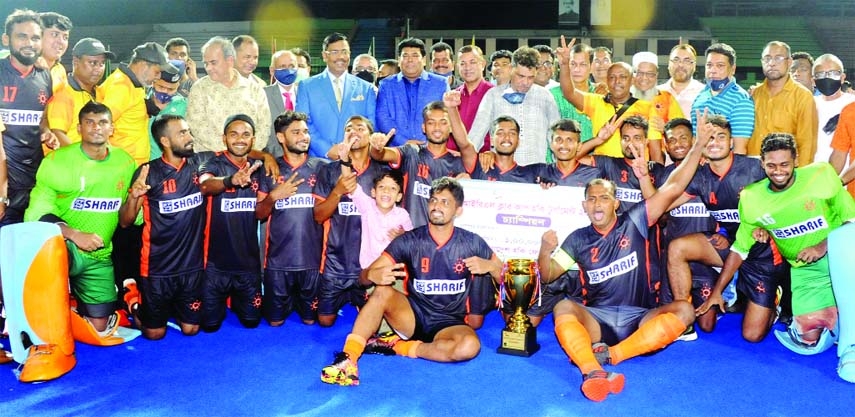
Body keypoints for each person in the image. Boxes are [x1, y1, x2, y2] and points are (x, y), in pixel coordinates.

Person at [537, 113, 712, 402]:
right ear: (583, 205)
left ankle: (613, 356)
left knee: (684, 310)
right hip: (597, 321)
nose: (597, 203)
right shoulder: (577, 238)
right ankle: (591, 369)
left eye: (604, 197)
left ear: (616, 203)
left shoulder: (636, 221)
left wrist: (698, 146)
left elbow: (672, 188)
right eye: (591, 198)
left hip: (640, 317)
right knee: (564, 307)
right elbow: (548, 276)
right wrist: (545, 250)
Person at [697, 133, 855, 383]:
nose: (778, 171)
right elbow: (740, 249)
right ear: (762, 163)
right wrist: (719, 290)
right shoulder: (752, 198)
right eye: (771, 165)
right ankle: (839, 320)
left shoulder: (821, 175)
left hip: (843, 261)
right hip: (806, 273)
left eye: (785, 164)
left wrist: (824, 244)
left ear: (796, 160)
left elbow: (852, 220)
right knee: (807, 337)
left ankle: (851, 345)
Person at [320, 177, 502, 387]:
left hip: (449, 322)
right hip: (412, 316)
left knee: (469, 347)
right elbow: (363, 277)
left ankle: (399, 347)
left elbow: (505, 277)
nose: (437, 206)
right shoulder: (410, 240)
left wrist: (492, 268)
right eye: (433, 200)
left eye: (445, 202)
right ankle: (347, 359)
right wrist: (371, 275)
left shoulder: (472, 242)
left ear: (458, 210)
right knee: (382, 291)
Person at [666, 115, 789, 341]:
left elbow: (789, 197)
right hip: (730, 247)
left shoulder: (755, 168)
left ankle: (775, 300)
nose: (714, 142)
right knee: (677, 248)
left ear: (731, 141)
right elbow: (663, 202)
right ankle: (682, 317)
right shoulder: (700, 176)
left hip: (762, 256)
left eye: (720, 137)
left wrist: (768, 226)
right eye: (709, 138)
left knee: (752, 336)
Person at [25, 101, 136, 338]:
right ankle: (53, 304)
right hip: (63, 249)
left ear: (111, 129)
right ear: (79, 128)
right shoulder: (57, 161)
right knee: (50, 327)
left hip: (99, 255)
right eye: (90, 122)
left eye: (102, 122)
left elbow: (130, 218)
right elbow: (35, 215)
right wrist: (75, 235)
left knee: (99, 329)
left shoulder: (125, 163)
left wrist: (137, 198)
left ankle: (76, 305)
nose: (96, 128)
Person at [118, 114, 209, 340]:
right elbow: (125, 222)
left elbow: (235, 152)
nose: (190, 137)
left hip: (192, 265)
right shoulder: (148, 172)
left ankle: (174, 307)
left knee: (191, 329)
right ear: (165, 141)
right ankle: (133, 300)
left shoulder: (199, 164)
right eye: (182, 133)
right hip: (157, 267)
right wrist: (134, 197)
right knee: (154, 334)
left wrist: (266, 157)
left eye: (188, 131)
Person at [524, 119, 605, 327]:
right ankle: (551, 298)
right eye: (558, 139)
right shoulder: (539, 173)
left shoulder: (594, 176)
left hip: (580, 261)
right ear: (551, 143)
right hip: (550, 258)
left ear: (579, 146)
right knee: (527, 325)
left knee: (588, 326)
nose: (564, 145)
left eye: (570, 140)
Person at [312, 116, 390, 327]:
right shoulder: (328, 170)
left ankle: (357, 298)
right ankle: (342, 298)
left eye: (360, 128)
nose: (354, 131)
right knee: (325, 321)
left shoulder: (383, 173)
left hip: (368, 264)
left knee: (375, 324)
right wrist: (337, 192)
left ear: (371, 135)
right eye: (349, 128)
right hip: (336, 263)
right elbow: (318, 216)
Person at [256, 111, 327, 326]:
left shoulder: (322, 167)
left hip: (312, 262)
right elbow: (259, 214)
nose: (303, 137)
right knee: (275, 323)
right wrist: (274, 197)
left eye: (305, 132)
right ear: (280, 138)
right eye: (296, 132)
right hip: (277, 263)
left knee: (309, 321)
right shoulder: (270, 169)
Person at [197, 114, 265, 332]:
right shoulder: (213, 162)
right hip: (215, 266)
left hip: (248, 265)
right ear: (224, 138)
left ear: (253, 140)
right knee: (209, 326)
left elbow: (263, 212)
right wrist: (230, 181)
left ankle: (237, 300)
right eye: (233, 134)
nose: (239, 139)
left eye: (246, 135)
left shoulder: (259, 168)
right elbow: (205, 186)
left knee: (251, 322)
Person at [557, 37, 664, 164]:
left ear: (632, 81)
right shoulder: (596, 102)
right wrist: (564, 64)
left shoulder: (647, 108)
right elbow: (569, 93)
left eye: (623, 77)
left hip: (635, 173)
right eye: (612, 77)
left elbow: (655, 151)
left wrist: (657, 178)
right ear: (607, 81)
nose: (617, 82)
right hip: (603, 173)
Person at [0, 8, 56, 227]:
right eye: (21, 36)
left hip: (34, 183)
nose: (29, 43)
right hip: (5, 186)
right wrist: (2, 193)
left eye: (35, 37)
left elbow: (41, 120)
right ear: (6, 39)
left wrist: (46, 133)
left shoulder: (44, 76)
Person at [468, 46, 560, 165]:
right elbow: (476, 136)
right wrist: (466, 168)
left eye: (531, 77)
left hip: (536, 174)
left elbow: (555, 137)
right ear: (511, 68)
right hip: (501, 173)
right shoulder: (493, 96)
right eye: (521, 76)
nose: (525, 83)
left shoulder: (545, 97)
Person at [296, 32, 376, 158]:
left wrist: (352, 148)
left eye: (345, 52)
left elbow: (371, 125)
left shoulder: (366, 88)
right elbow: (303, 123)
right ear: (324, 56)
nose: (341, 57)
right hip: (319, 160)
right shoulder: (306, 87)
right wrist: (327, 149)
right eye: (334, 52)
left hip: (356, 159)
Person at [338, 134, 412, 269]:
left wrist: (403, 235)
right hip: (370, 270)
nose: (386, 192)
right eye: (382, 187)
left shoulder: (403, 215)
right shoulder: (367, 207)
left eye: (393, 189)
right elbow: (350, 184)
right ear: (373, 192)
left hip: (395, 270)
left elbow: (412, 240)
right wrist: (344, 160)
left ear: (399, 197)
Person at [186, 36, 271, 153]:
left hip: (249, 159)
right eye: (206, 63)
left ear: (230, 60)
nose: (208, 68)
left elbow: (264, 127)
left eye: (213, 63)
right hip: (211, 161)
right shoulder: (199, 88)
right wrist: (233, 153)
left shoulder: (255, 89)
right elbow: (198, 127)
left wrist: (247, 152)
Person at [100, 41, 171, 165]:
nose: (158, 76)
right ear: (144, 65)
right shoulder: (121, 86)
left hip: (131, 162)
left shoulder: (134, 84)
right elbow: (100, 124)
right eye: (157, 71)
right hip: (122, 164)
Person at [748, 41, 818, 166]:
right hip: (752, 169)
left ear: (789, 62)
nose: (772, 63)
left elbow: (807, 144)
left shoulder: (802, 96)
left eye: (778, 58)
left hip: (784, 173)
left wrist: (801, 179)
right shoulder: (754, 95)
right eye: (767, 58)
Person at [376, 37, 449, 146]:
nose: (410, 60)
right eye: (405, 56)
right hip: (397, 151)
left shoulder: (440, 84)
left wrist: (428, 145)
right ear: (399, 60)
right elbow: (382, 117)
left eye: (415, 55)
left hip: (432, 150)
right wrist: (403, 142)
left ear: (424, 60)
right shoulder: (386, 85)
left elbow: (446, 118)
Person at [47, 37, 114, 147]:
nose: (98, 69)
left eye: (102, 63)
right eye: (93, 63)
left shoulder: (98, 93)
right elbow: (57, 133)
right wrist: (83, 159)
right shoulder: (63, 92)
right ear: (76, 62)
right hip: (69, 162)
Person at [689, 43, 755, 154]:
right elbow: (695, 139)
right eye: (709, 65)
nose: (713, 70)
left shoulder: (741, 100)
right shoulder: (700, 96)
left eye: (720, 66)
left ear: (733, 69)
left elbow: (739, 150)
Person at [447, 45, 493, 153]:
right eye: (463, 63)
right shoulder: (453, 97)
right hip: (455, 159)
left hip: (484, 161)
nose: (467, 68)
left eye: (472, 62)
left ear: (482, 64)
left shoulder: (494, 94)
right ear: (457, 67)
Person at [145, 60, 186, 160]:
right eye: (161, 86)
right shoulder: (139, 102)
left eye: (171, 89)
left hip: (172, 168)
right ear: (154, 81)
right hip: (143, 164)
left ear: (178, 85)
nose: (165, 92)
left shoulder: (184, 106)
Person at [264, 49, 300, 158]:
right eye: (283, 67)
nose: (288, 70)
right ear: (272, 70)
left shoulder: (306, 93)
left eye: (291, 66)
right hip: (274, 158)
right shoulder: (263, 95)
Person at [657, 44, 705, 118]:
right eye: (676, 60)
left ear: (694, 66)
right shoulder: (656, 93)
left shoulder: (704, 94)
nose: (681, 65)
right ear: (669, 64)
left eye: (687, 61)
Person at [38, 12, 71, 93]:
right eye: (54, 34)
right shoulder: (20, 65)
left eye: (65, 37)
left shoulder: (59, 70)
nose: (61, 42)